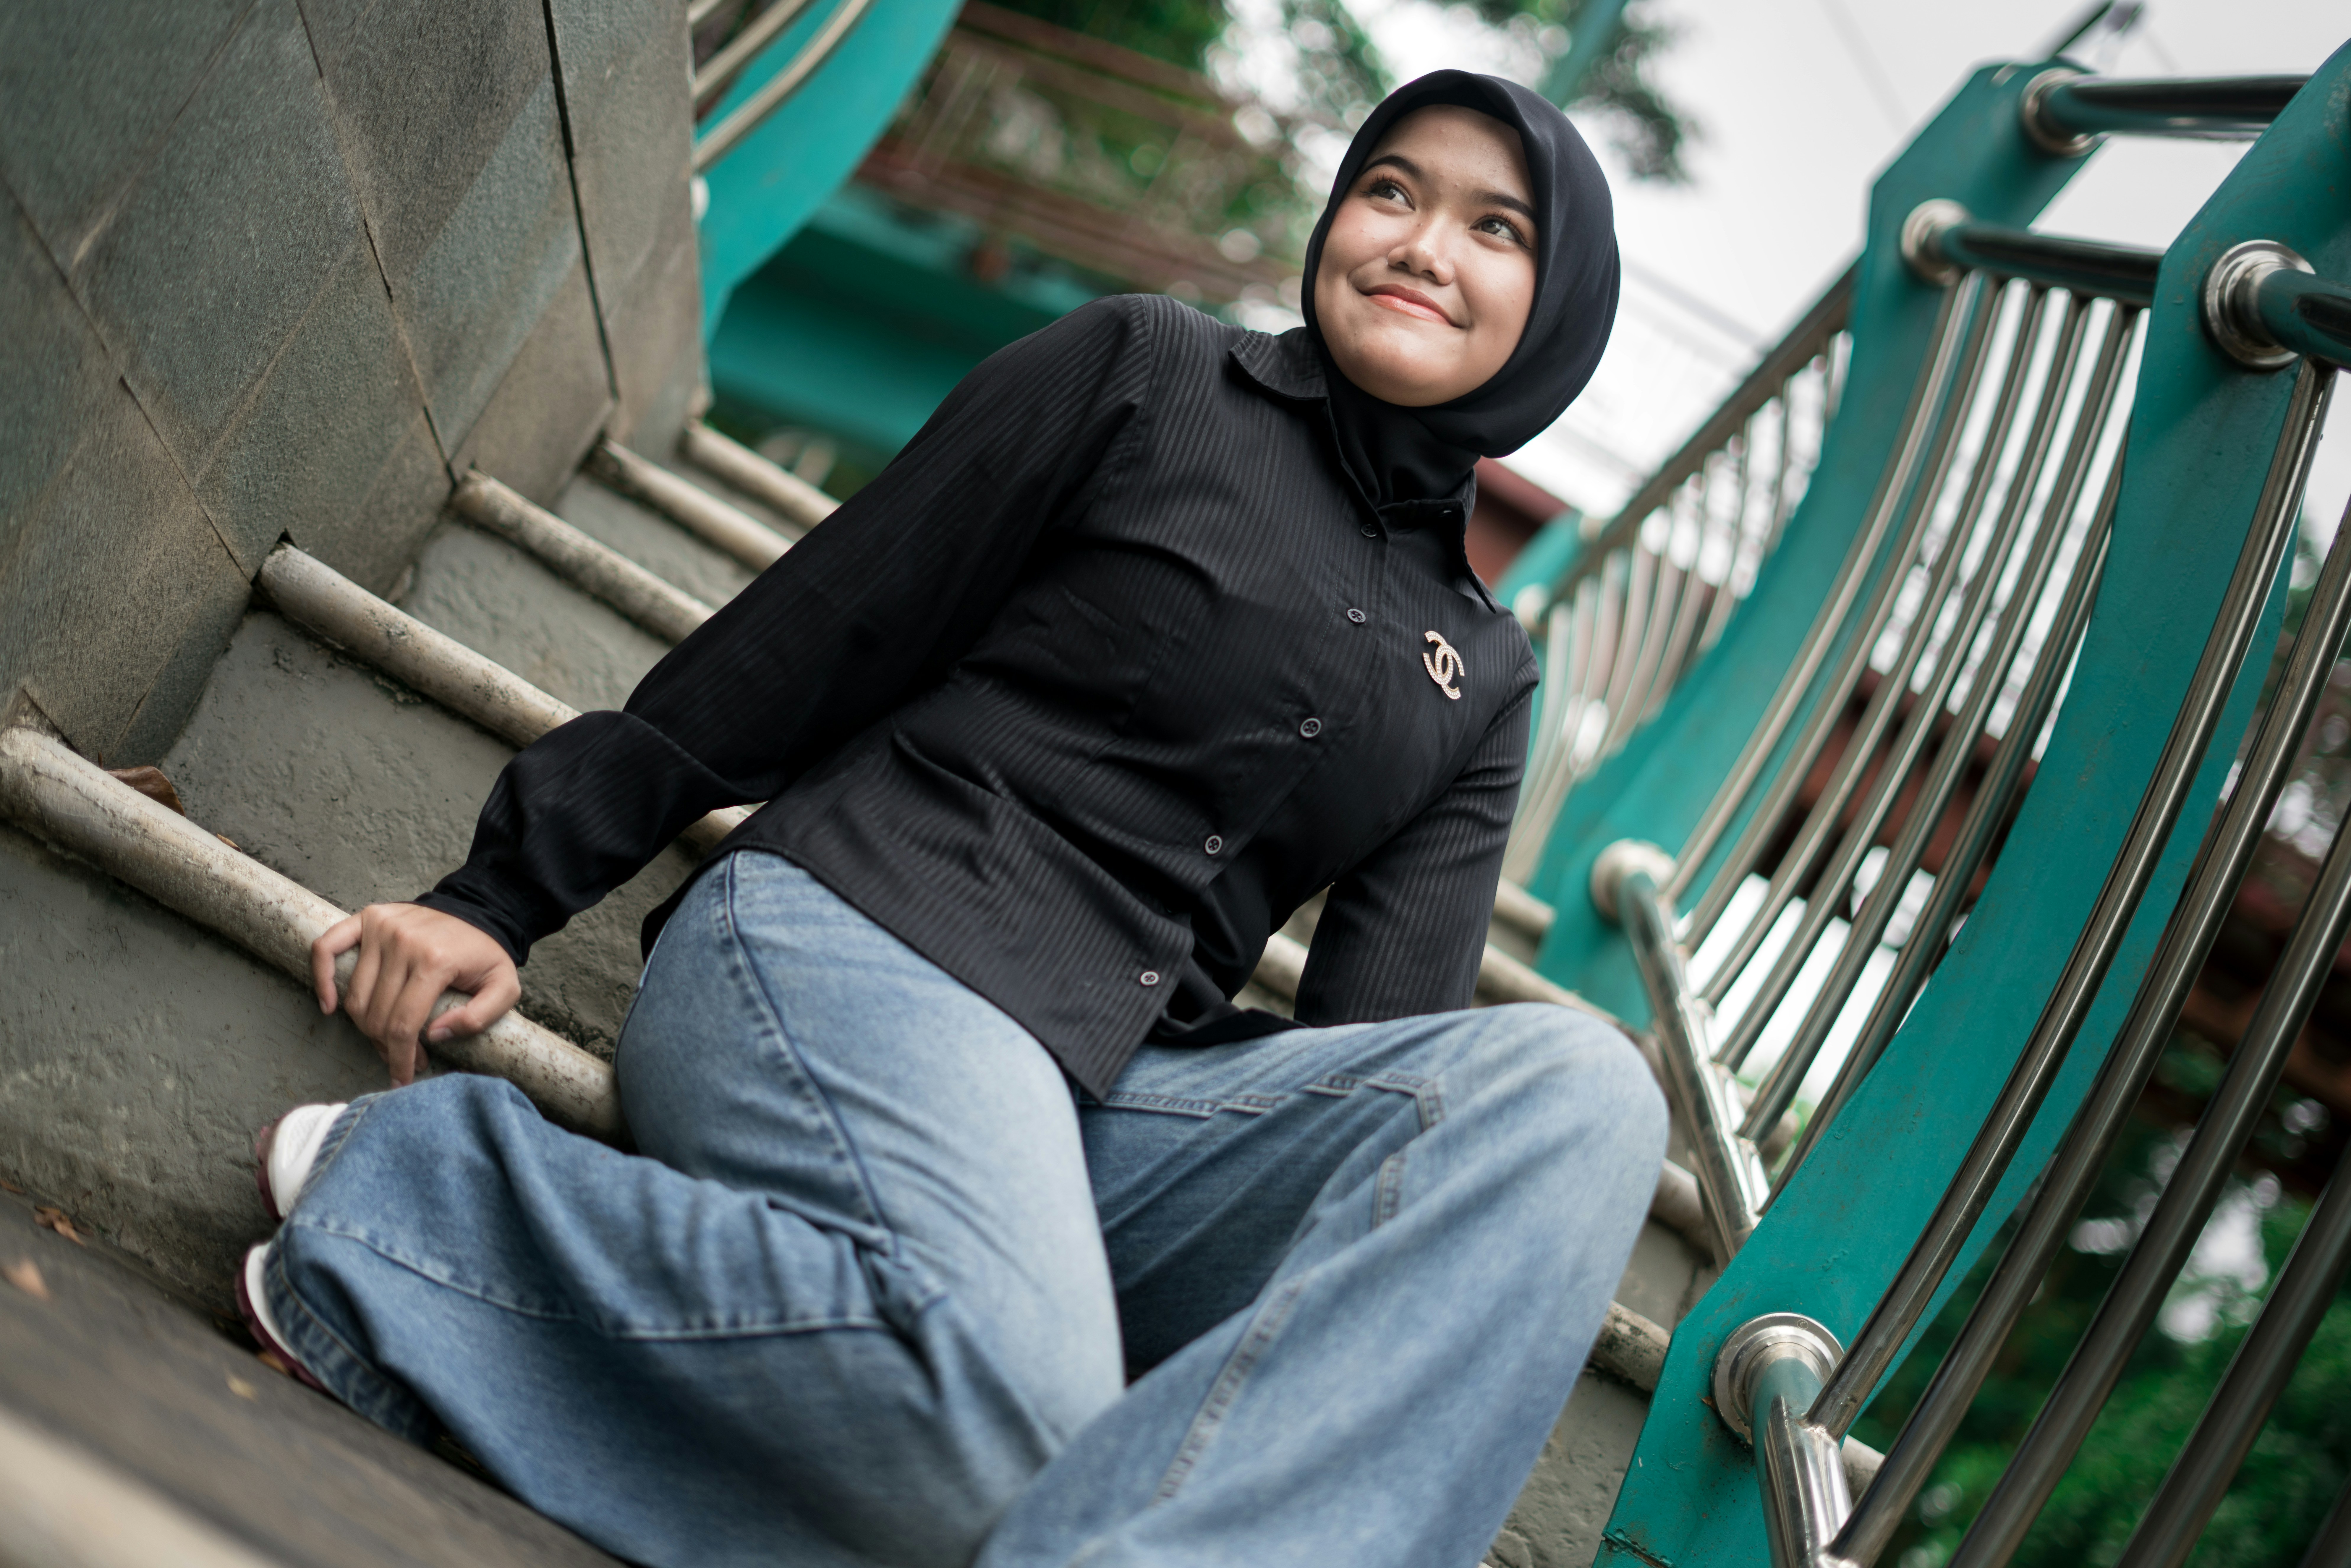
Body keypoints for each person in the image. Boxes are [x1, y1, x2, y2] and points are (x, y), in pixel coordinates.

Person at [242, 69, 1665, 1568]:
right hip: (877, 935)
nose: (1420, 243)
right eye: (1389, 189)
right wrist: (502, 894)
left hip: (1118, 1106)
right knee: (1016, 1424)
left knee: (1588, 1092)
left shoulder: (1485, 677)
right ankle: (431, 1201)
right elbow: (819, 629)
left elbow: (1384, 1084)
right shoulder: (1150, 371)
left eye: (1492, 227)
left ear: (1554, 305)